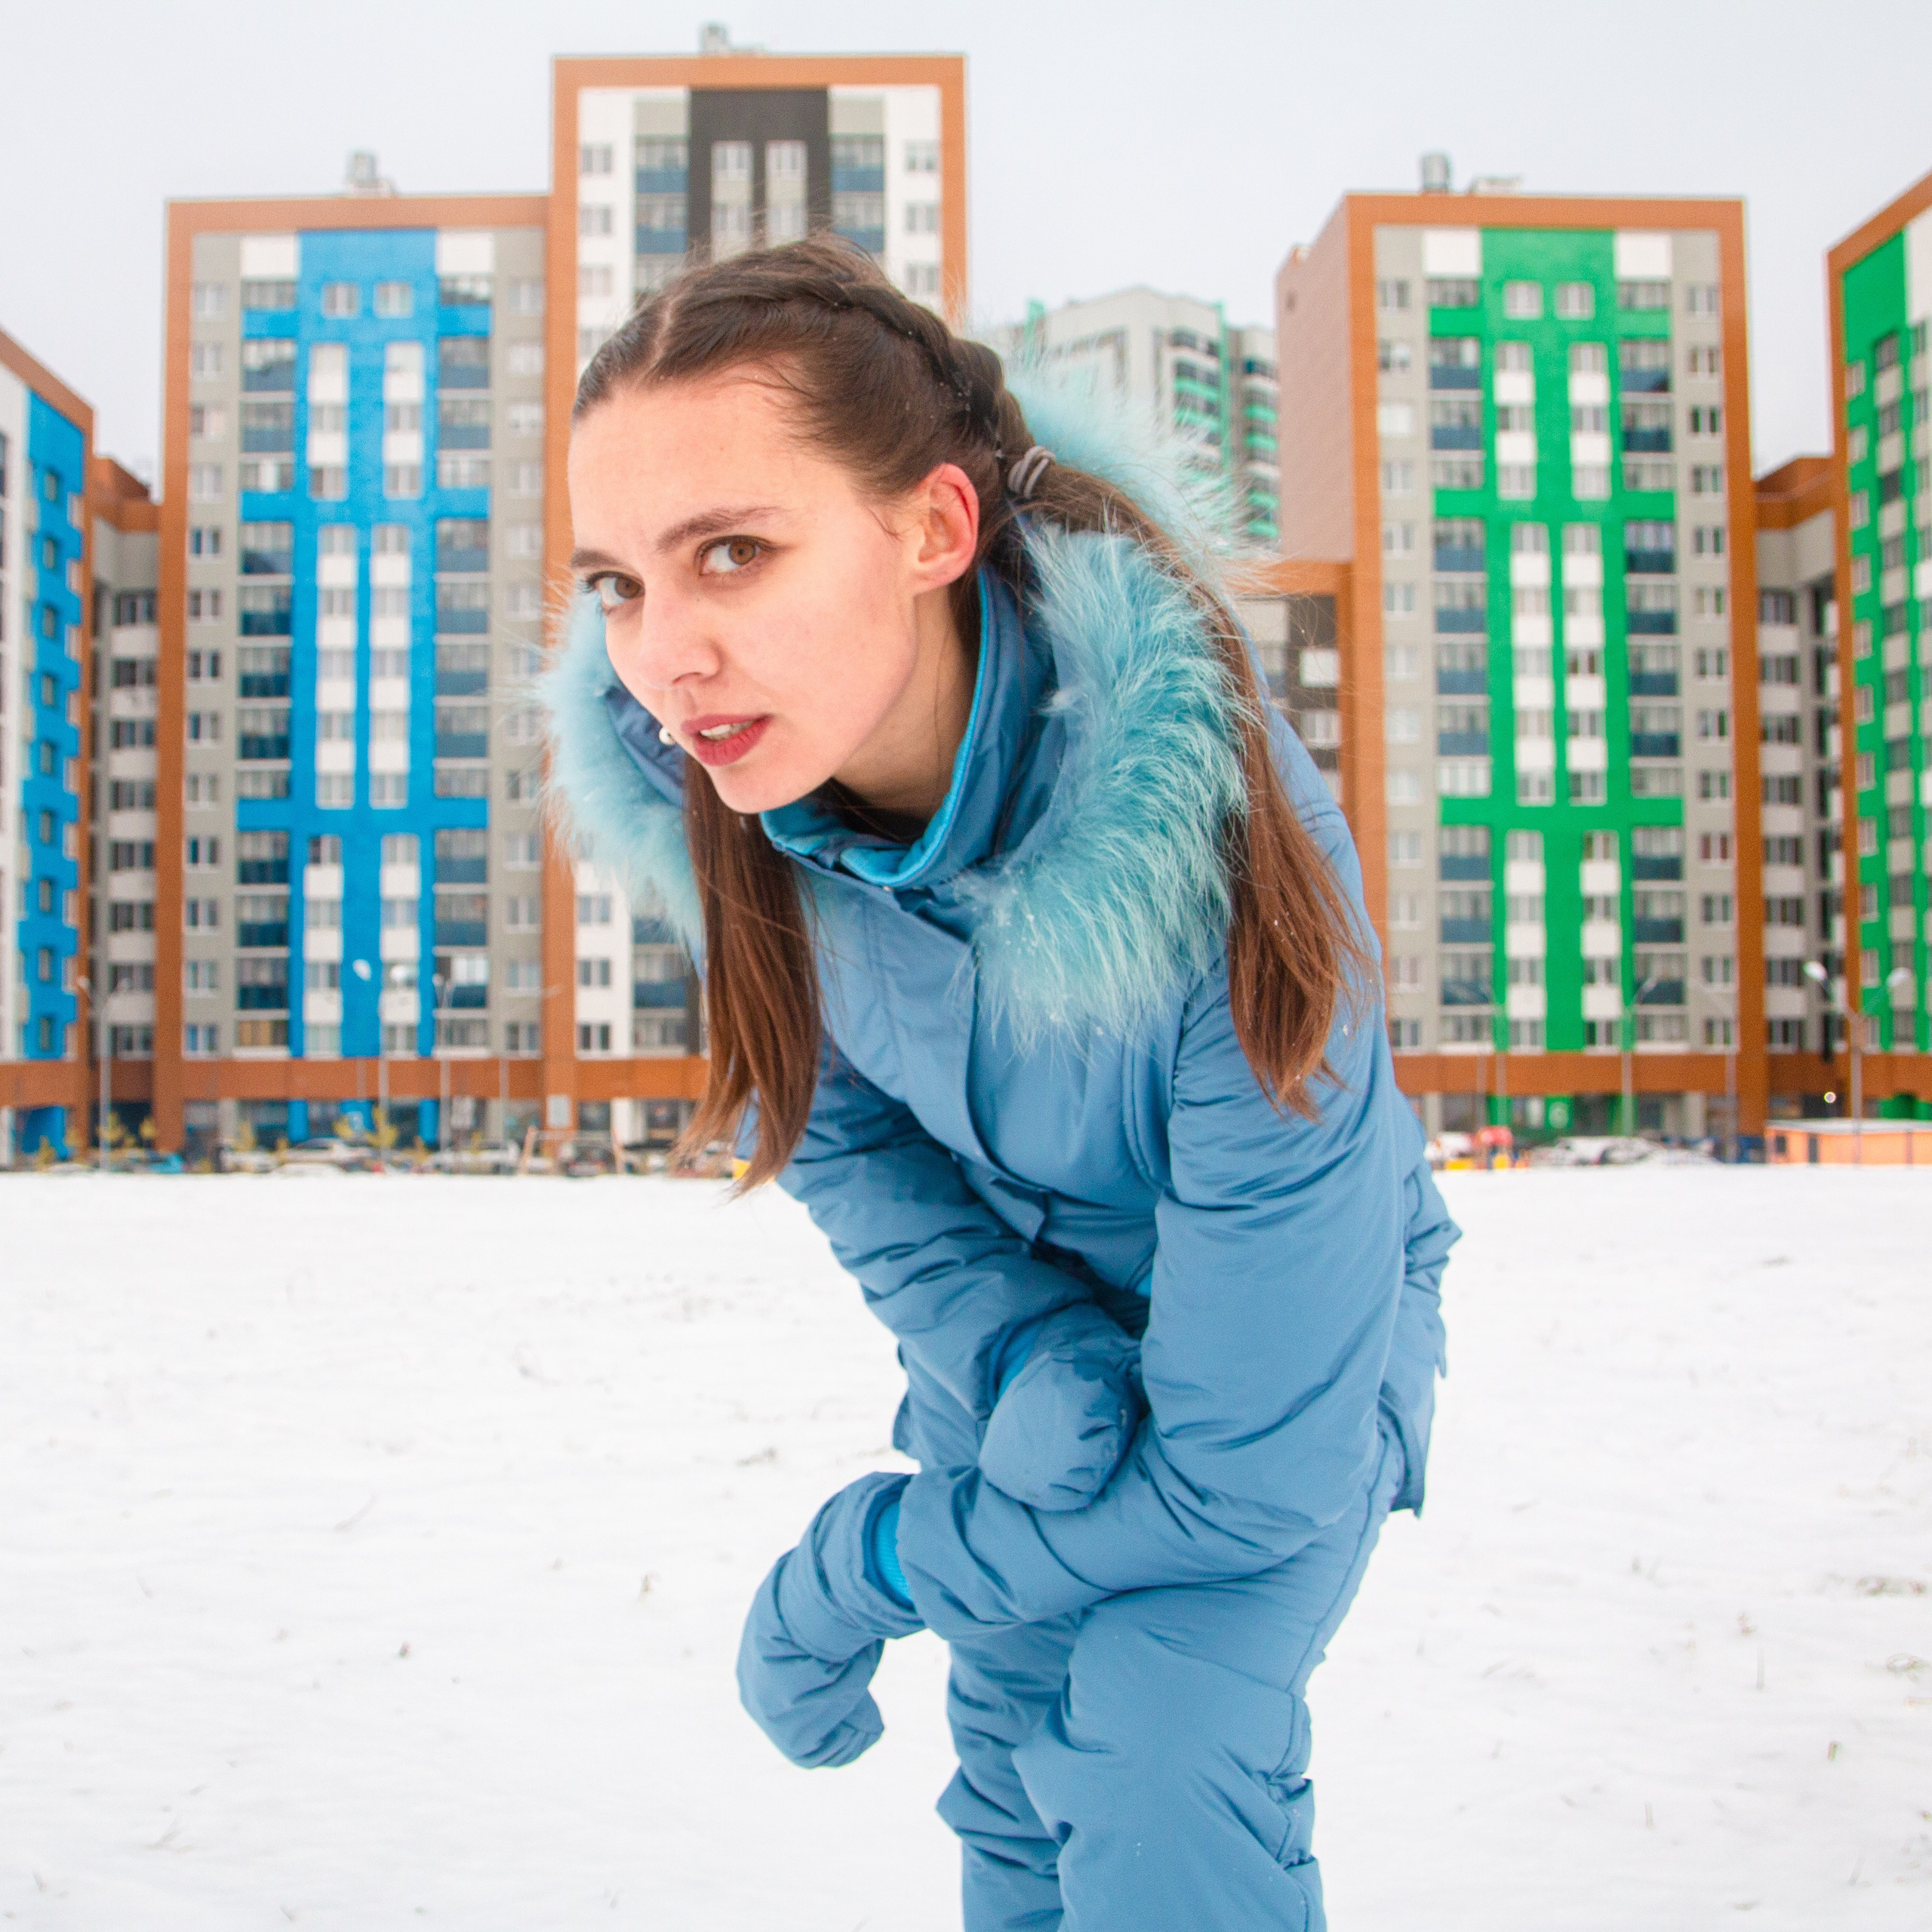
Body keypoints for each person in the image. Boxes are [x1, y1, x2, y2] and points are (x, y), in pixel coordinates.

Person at [546, 235, 1457, 1932]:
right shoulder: (748, 815)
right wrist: (1016, 1350)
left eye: (729, 554)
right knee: (1019, 1775)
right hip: (1023, 1394)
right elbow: (855, 1160)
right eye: (616, 581)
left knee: (1154, 1740)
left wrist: (872, 1563)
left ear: (930, 532)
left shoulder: (1222, 839)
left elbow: (1243, 1478)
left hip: (1281, 1378)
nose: (661, 657)